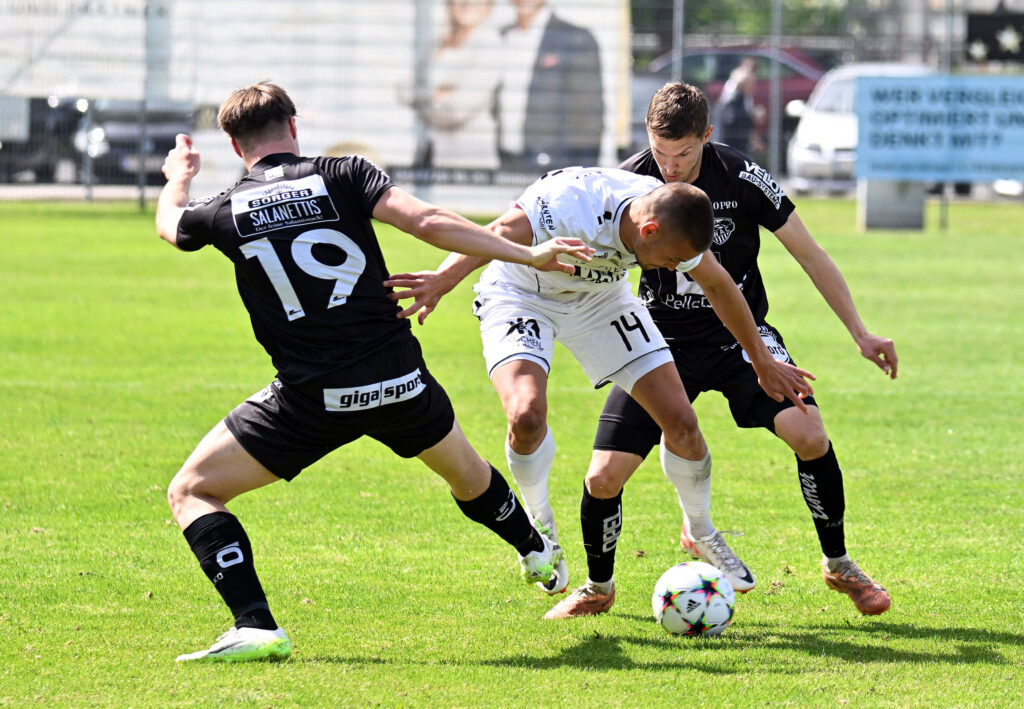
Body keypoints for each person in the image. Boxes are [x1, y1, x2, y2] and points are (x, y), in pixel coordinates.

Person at [155, 82, 596, 662]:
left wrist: (179, 177)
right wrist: (527, 253)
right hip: (399, 380)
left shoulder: (223, 210)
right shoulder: (344, 173)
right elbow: (428, 220)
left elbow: (171, 225)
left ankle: (254, 623)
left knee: (192, 490)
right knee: (467, 476)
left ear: (236, 147)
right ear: (294, 126)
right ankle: (536, 550)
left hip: (312, 398)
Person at [383, 165, 814, 603]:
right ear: (648, 231)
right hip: (522, 294)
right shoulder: (570, 204)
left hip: (601, 301)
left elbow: (719, 286)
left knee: (682, 423)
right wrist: (443, 279)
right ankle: (540, 524)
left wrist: (762, 361)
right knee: (526, 416)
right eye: (670, 259)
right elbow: (499, 230)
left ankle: (700, 530)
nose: (672, 268)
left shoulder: (671, 217)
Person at [545, 82, 895, 620]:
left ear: (706, 136)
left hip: (742, 338)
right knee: (603, 477)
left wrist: (860, 332)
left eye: (683, 153)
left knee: (810, 434)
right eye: (660, 152)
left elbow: (809, 254)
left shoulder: (743, 176)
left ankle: (839, 564)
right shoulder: (628, 181)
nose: (670, 167)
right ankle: (598, 586)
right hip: (657, 341)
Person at [498, 0, 603, 171]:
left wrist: (582, 175)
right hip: (505, 163)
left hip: (555, 167)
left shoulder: (576, 39)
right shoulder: (501, 36)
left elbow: (589, 114)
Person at [403, 0, 501, 169]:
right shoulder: (437, 43)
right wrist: (438, 95)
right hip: (431, 154)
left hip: (469, 159)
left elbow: (458, 109)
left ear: (488, 7)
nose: (467, 4)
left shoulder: (490, 44)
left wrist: (421, 103)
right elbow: (404, 89)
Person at [713, 62, 764, 157]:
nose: (754, 86)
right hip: (728, 148)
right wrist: (753, 116)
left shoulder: (743, 98)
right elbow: (732, 120)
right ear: (744, 84)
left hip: (736, 148)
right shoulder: (731, 99)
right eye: (752, 83)